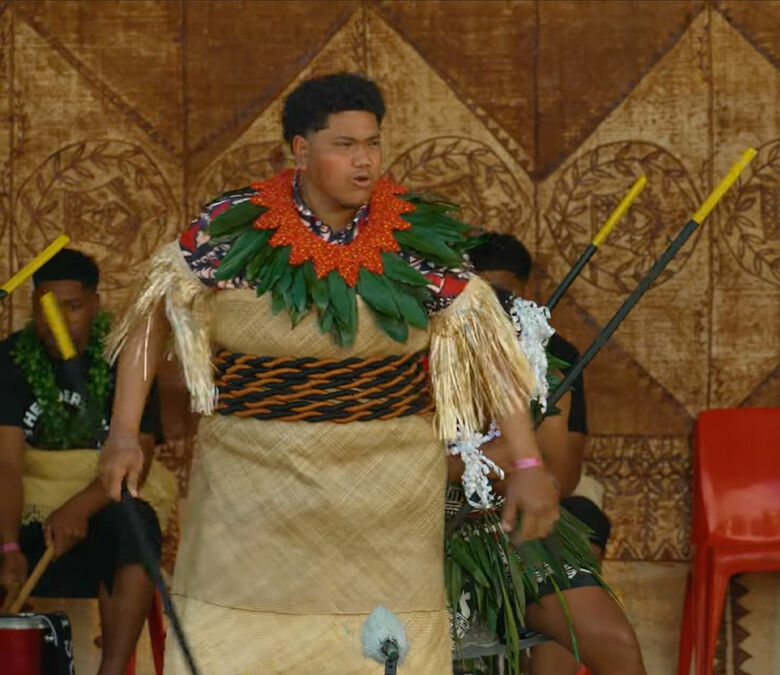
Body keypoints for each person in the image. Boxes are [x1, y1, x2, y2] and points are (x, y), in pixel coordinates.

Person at [97, 72, 559, 673]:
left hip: (386, 494)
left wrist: (526, 463)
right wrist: (124, 433)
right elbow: (153, 314)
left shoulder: (410, 239)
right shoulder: (234, 228)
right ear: (301, 150)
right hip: (251, 490)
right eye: (345, 145)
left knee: (382, 651)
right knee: (235, 646)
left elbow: (487, 346)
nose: (364, 162)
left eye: (372, 144)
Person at [464, 232, 643, 674]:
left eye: (503, 294)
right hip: (446, 523)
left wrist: (517, 462)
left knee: (613, 639)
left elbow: (559, 476)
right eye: (479, 291)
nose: (492, 305)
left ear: (525, 293)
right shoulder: (433, 343)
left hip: (520, 516)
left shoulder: (549, 353)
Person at [0, 249, 172, 675]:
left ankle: (111, 670)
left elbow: (140, 458)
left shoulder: (123, 360)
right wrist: (9, 547)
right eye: (45, 307)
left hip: (103, 499)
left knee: (135, 524)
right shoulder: (9, 361)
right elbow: (5, 464)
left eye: (72, 307)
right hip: (28, 504)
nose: (56, 321)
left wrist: (79, 507)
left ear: (95, 304)